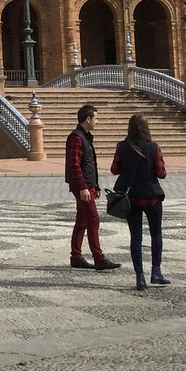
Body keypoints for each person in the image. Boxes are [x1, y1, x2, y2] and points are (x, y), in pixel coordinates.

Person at [111, 113, 169, 291]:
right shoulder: (153, 147)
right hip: (151, 196)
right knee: (156, 234)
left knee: (136, 236)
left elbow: (115, 169)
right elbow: (161, 173)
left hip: (132, 197)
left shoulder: (122, 146)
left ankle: (140, 277)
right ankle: (156, 272)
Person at [65, 103, 121, 271]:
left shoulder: (86, 137)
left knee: (82, 219)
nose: (98, 121)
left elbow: (89, 164)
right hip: (81, 185)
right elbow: (75, 165)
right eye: (96, 118)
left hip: (87, 184)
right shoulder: (76, 137)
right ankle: (99, 258)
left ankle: (76, 256)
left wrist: (95, 186)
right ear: (88, 119)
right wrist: (83, 187)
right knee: (93, 219)